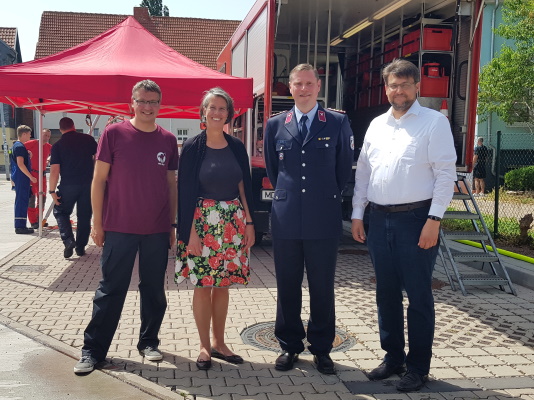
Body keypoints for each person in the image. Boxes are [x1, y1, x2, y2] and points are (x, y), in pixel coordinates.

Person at [351, 59, 456, 392]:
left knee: (419, 296)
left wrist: (434, 220)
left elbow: (445, 174)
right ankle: (392, 358)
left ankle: (417, 367)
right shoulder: (377, 125)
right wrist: (357, 213)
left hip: (416, 221)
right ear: (386, 88)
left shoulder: (434, 123)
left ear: (417, 87)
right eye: (393, 85)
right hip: (379, 219)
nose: (399, 91)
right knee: (386, 294)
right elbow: (364, 172)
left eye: (406, 84)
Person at [74, 80, 178, 375]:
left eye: (153, 102)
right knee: (111, 290)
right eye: (142, 101)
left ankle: (148, 342)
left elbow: (171, 184)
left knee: (154, 289)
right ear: (132, 103)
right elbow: (98, 180)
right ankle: (93, 351)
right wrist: (97, 222)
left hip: (156, 229)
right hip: (119, 227)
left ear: (160, 105)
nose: (148, 107)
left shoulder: (168, 139)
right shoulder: (114, 133)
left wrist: (171, 223)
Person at [264, 63, 354, 375]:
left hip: (323, 217)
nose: (303, 89)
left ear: (318, 87)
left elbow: (343, 169)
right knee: (288, 285)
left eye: (309, 84)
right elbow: (275, 172)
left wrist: (320, 195)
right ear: (289, 88)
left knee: (322, 286)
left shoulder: (337, 122)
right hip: (287, 218)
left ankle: (321, 348)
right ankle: (289, 346)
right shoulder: (276, 125)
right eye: (297, 84)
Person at [175, 87, 255, 370]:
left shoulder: (236, 147)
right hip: (202, 223)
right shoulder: (193, 147)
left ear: (229, 115)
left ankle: (220, 343)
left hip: (233, 223)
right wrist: (190, 234)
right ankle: (203, 346)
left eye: (222, 108)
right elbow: (184, 193)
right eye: (212, 107)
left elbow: (243, 185)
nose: (217, 112)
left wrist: (249, 222)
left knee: (222, 285)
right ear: (203, 112)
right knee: (203, 285)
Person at [49, 118, 97, 258]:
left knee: (60, 212)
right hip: (88, 185)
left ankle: (69, 240)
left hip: (68, 185)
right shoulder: (88, 139)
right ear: (74, 126)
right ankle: (81, 248)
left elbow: (54, 171)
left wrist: (52, 191)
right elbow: (99, 158)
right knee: (84, 216)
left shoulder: (57, 146)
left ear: (60, 129)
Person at [10, 125, 36, 234]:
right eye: (29, 134)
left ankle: (21, 225)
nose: (30, 136)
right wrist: (31, 177)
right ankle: (20, 227)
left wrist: (28, 155)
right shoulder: (20, 147)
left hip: (18, 177)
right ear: (24, 134)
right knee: (22, 201)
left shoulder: (16, 146)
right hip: (22, 177)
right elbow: (20, 164)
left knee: (22, 200)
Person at [25, 128, 52, 229]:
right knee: (32, 198)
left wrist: (49, 159)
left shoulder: (49, 147)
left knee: (42, 198)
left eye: (49, 136)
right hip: (32, 174)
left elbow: (57, 153)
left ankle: (38, 219)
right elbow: (17, 149)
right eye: (45, 135)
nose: (47, 138)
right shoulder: (32, 143)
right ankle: (33, 221)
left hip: (43, 175)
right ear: (40, 134)